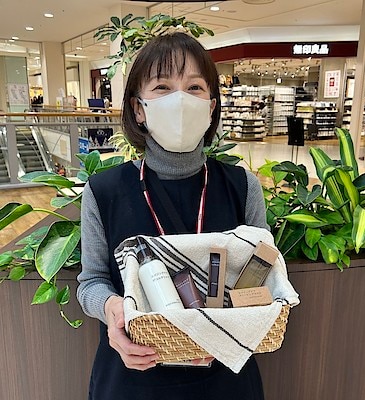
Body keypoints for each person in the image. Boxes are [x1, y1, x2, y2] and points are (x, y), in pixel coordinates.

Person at [77, 32, 268, 400]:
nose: (180, 100)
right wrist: (113, 310)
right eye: (162, 87)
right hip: (134, 374)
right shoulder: (104, 191)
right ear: (138, 108)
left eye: (194, 87)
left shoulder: (242, 187)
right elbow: (92, 282)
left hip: (225, 376)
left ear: (211, 106)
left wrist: (243, 321)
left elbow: (262, 277)